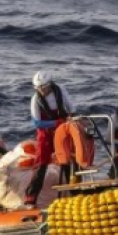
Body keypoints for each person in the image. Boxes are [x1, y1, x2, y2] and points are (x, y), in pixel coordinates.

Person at [24, 70, 73, 206]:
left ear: (49, 84)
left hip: (61, 131)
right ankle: (31, 197)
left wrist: (68, 119)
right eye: (38, 88)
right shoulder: (35, 100)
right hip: (45, 134)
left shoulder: (61, 91)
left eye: (43, 87)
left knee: (67, 161)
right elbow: (37, 122)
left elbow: (71, 108)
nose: (41, 90)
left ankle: (74, 192)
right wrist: (54, 123)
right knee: (41, 164)